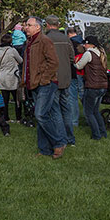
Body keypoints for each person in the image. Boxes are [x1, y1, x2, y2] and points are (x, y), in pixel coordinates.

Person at [23, 16, 63, 158]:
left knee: (40, 115)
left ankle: (58, 143)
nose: (26, 27)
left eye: (29, 25)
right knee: (42, 116)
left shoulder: (45, 41)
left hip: (46, 83)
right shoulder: (30, 42)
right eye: (26, 25)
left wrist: (44, 79)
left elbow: (54, 62)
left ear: (37, 27)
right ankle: (44, 149)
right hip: (34, 83)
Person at [45, 15, 76, 148]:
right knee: (66, 109)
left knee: (55, 110)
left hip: (53, 78)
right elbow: (72, 58)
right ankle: (70, 138)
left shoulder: (46, 39)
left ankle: (60, 139)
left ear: (47, 24)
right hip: (66, 78)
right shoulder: (66, 39)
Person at [74, 35, 107, 140]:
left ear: (90, 44)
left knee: (88, 113)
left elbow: (79, 66)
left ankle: (96, 134)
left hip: (92, 86)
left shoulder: (88, 53)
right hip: (103, 85)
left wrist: (72, 62)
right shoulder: (101, 53)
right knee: (96, 111)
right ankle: (103, 132)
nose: (84, 45)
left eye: (85, 43)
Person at [0, 33, 23, 124]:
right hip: (12, 77)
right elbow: (21, 60)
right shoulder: (12, 51)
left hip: (2, 77)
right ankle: (18, 117)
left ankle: (6, 118)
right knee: (17, 99)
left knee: (5, 100)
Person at [66, 27, 84, 128]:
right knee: (83, 96)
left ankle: (74, 121)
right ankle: (90, 118)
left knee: (72, 98)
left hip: (72, 72)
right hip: (82, 73)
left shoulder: (69, 43)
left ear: (68, 34)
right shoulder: (83, 42)